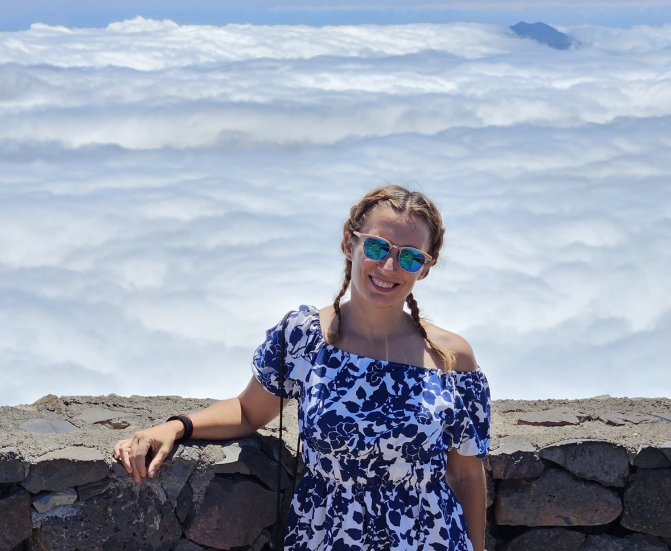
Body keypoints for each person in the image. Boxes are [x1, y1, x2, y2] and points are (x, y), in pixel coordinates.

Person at [113, 185, 491, 551]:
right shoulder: (304, 337)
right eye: (377, 247)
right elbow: (248, 411)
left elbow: (465, 473)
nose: (390, 266)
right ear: (349, 243)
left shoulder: (450, 359)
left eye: (410, 256)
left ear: (425, 268)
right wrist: (175, 427)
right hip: (327, 538)